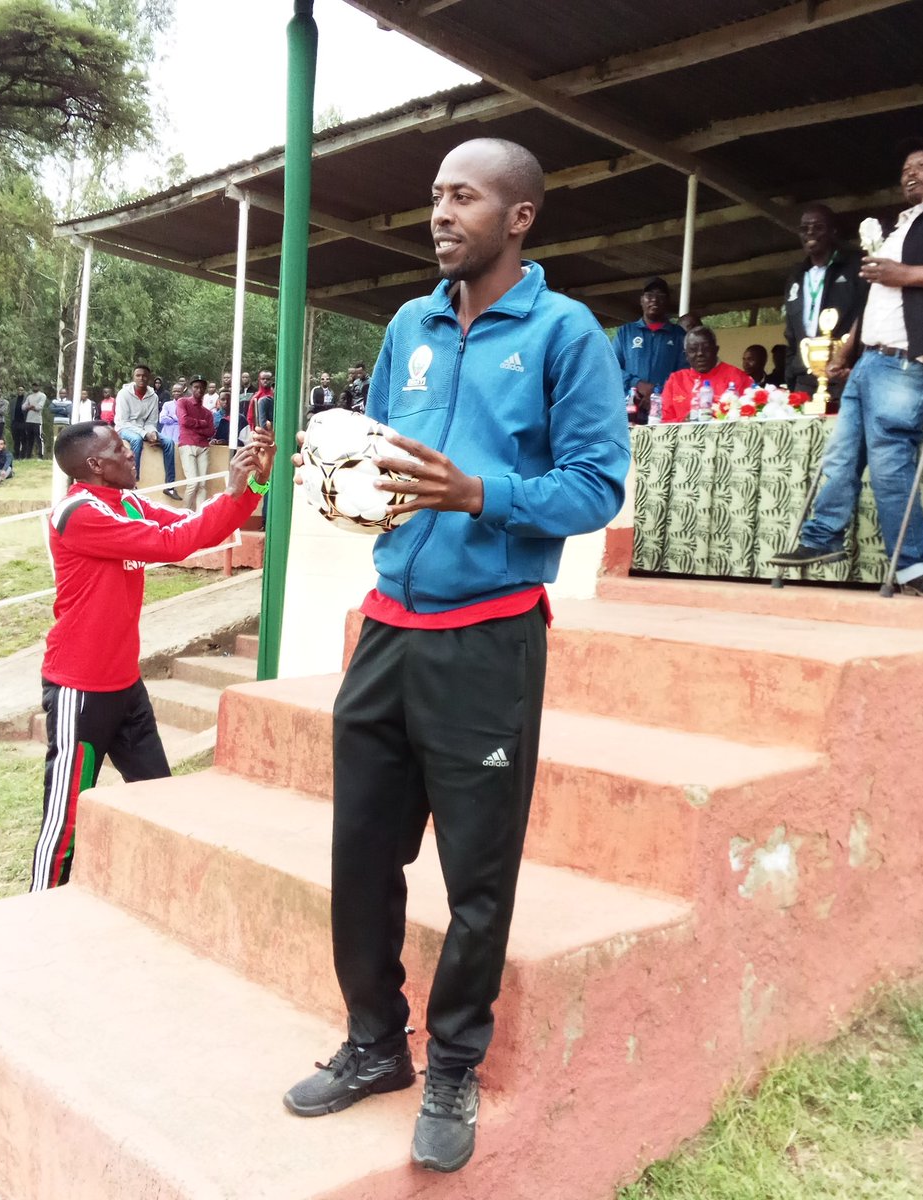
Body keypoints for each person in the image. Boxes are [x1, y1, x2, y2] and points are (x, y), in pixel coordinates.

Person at [283, 137, 629, 1174]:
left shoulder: (567, 334)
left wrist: (482, 494)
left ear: (519, 217)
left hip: (489, 639)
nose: (438, 213)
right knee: (360, 857)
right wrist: (353, 492)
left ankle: (451, 1065)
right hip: (389, 626)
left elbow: (595, 488)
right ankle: (374, 1045)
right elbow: (384, 454)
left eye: (462, 197)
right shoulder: (410, 324)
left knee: (477, 879)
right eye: (434, 196)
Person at [29, 421, 274, 892]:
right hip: (79, 689)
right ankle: (39, 906)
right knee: (66, 817)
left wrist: (253, 485)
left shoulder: (127, 503)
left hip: (124, 685)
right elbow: (171, 544)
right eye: (120, 449)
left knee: (159, 796)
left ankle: (160, 893)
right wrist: (230, 492)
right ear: (95, 465)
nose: (131, 453)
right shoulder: (78, 513)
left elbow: (193, 531)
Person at [771, 138, 923, 598]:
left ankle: (912, 567)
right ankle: (823, 539)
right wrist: (848, 347)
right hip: (870, 359)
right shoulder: (901, 227)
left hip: (909, 360)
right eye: (905, 168)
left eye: (922, 165)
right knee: (839, 457)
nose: (910, 174)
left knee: (890, 463)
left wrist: (908, 275)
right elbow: (885, 294)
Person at [782, 204, 866, 403]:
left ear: (832, 231)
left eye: (818, 227)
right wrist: (792, 371)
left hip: (844, 374)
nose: (810, 233)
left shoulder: (855, 267)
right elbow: (791, 333)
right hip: (804, 378)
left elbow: (867, 316)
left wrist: (855, 364)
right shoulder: (796, 276)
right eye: (804, 228)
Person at [611, 277, 687, 423]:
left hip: (666, 412)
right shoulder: (625, 332)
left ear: (667, 301)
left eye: (660, 296)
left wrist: (657, 392)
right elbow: (611, 368)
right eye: (649, 295)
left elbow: (684, 373)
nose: (654, 300)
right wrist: (637, 384)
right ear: (641, 300)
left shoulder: (679, 335)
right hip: (628, 411)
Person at [657, 326, 755, 422]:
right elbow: (663, 421)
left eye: (706, 348)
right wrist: (684, 421)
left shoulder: (739, 377)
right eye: (693, 349)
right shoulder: (675, 380)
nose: (700, 353)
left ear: (716, 350)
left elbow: (752, 417)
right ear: (686, 355)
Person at [115, 364, 182, 500]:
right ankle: (133, 482)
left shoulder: (153, 396)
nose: (141, 378)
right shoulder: (124, 394)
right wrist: (145, 434)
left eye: (144, 376)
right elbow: (123, 421)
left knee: (168, 442)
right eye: (138, 375)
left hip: (145, 429)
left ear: (149, 378)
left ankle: (169, 486)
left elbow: (151, 422)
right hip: (125, 428)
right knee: (137, 440)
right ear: (133, 377)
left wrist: (153, 433)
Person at [177, 375, 215, 511]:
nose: (199, 390)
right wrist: (201, 424)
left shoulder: (207, 413)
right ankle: (184, 513)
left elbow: (211, 432)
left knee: (202, 484)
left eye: (202, 387)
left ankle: (200, 516)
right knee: (193, 482)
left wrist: (195, 427)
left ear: (205, 389)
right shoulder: (183, 402)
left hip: (203, 447)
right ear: (191, 388)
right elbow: (183, 421)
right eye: (196, 387)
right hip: (187, 445)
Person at [22, 382, 47, 459]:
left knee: (39, 438)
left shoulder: (42, 395)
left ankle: (40, 455)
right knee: (29, 438)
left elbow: (39, 407)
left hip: (37, 421)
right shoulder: (29, 396)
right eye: (33, 386)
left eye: (36, 386)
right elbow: (23, 407)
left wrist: (30, 407)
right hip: (29, 420)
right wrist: (31, 407)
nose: (35, 387)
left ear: (39, 387)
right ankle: (28, 456)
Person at [10, 386, 28, 457]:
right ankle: (16, 455)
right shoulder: (13, 401)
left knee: (24, 440)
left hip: (23, 422)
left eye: (22, 390)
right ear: (17, 391)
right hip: (15, 422)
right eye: (19, 390)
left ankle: (23, 455)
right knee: (16, 440)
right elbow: (11, 412)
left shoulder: (26, 400)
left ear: (24, 391)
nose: (20, 391)